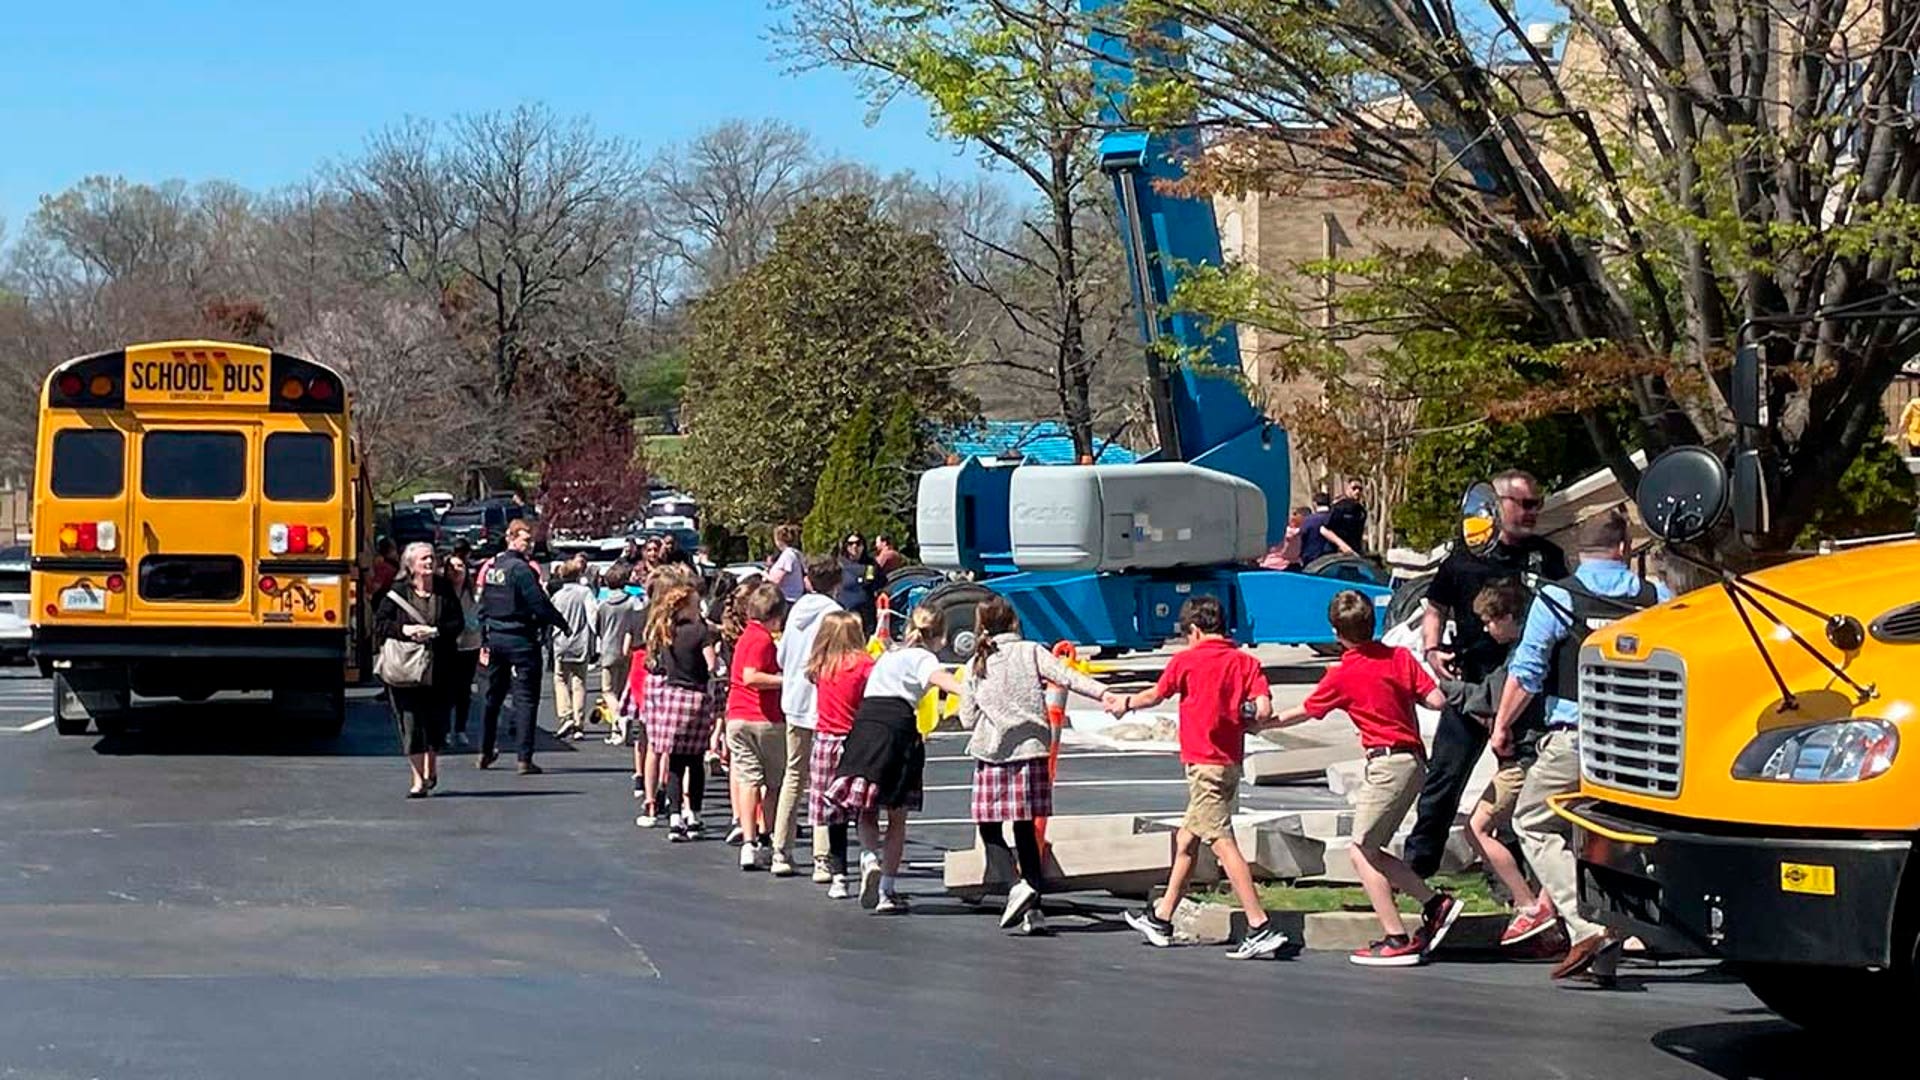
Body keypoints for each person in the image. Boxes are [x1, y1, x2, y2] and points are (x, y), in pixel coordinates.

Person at [1497, 510, 1668, 983]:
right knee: (1610, 836)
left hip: (1580, 740)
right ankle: (1607, 954)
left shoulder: (1557, 599)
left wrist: (1502, 727)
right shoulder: (1659, 600)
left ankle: (1584, 922)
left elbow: (1528, 672)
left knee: (1531, 821)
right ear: (1625, 548)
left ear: (1578, 552)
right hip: (1646, 745)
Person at [1266, 591, 1453, 966]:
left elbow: (1305, 710)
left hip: (1385, 764)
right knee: (1374, 847)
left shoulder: (1343, 673)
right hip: (1413, 760)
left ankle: (1396, 936)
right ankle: (1435, 904)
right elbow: (1436, 700)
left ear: (1336, 632)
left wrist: (1262, 723)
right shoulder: (1399, 658)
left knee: (1361, 850)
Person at [1403, 469, 1568, 878]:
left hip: (1523, 690)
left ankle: (1511, 874)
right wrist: (1432, 647)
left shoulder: (1546, 557)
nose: (1533, 513)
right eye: (1524, 504)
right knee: (1444, 776)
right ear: (1497, 505)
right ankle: (1419, 867)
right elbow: (1435, 606)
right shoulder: (1464, 557)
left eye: (1537, 504)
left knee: (1516, 785)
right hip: (1471, 682)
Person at [1112, 596, 1290, 961]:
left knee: (1222, 843)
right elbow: (1264, 708)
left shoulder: (1186, 661)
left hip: (1203, 766)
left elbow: (1155, 695)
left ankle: (1259, 925)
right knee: (1187, 840)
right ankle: (1161, 917)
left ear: (1193, 630)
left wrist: (1123, 704)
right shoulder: (1246, 662)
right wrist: (1245, 716)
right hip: (1229, 764)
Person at [960, 597, 1120, 935]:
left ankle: (1017, 885)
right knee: (1024, 828)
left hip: (992, 753)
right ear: (1015, 622)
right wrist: (1106, 694)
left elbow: (966, 718)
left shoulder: (978, 661)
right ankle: (1033, 906)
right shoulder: (1032, 651)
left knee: (989, 825)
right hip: (1031, 750)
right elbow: (1067, 677)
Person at [824, 606, 965, 914]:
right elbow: (938, 678)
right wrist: (968, 690)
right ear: (939, 637)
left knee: (867, 809)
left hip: (865, 725)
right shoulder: (925, 657)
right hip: (898, 728)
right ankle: (887, 890)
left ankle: (868, 857)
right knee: (897, 816)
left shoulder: (887, 656)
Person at [1446, 579, 1554, 947]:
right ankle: (1545, 905)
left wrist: (1442, 687)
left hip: (1522, 758)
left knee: (1476, 828)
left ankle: (1528, 905)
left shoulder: (1520, 658)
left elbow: (1488, 700)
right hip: (1536, 754)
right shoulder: (1539, 650)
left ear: (1510, 616)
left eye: (1491, 621)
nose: (1487, 629)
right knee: (1544, 833)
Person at [771, 556, 844, 879]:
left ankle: (780, 850)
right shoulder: (835, 616)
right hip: (825, 704)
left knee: (794, 776)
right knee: (823, 782)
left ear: (807, 581)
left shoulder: (794, 611)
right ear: (837, 584)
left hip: (794, 703)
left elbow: (781, 657)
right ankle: (821, 857)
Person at [374, 542, 464, 798]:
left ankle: (431, 768)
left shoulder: (444, 590)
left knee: (436, 724)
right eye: (424, 558)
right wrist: (406, 631)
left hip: (440, 669)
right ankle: (417, 779)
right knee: (411, 724)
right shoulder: (397, 592)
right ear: (410, 565)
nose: (429, 562)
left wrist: (435, 631)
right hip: (406, 670)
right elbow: (381, 624)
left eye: (432, 558)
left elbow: (457, 623)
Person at [478, 519, 566, 774]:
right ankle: (524, 758)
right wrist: (561, 624)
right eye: (526, 540)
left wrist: (485, 636)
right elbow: (539, 603)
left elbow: (483, 605)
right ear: (512, 537)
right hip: (521, 639)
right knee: (526, 699)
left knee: (493, 697)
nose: (529, 545)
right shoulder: (521, 570)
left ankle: (484, 751)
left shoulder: (493, 567)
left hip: (496, 637)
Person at [640, 582, 718, 842]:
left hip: (671, 695)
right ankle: (693, 815)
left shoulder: (667, 631)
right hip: (695, 696)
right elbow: (712, 664)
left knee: (673, 761)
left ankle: (674, 818)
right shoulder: (700, 631)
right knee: (695, 761)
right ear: (688, 606)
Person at [806, 610, 873, 900]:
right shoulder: (863, 665)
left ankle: (839, 875)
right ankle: (869, 857)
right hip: (856, 741)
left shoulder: (821, 666)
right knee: (864, 806)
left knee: (833, 812)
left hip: (825, 742)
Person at [726, 583, 788, 869]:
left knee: (749, 779)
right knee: (774, 783)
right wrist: (785, 680)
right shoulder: (762, 639)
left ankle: (749, 841)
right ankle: (767, 837)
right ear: (775, 616)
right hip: (762, 717)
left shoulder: (745, 636)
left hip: (737, 716)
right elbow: (752, 677)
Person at [596, 564, 646, 747]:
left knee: (608, 690)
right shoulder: (632, 602)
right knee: (625, 689)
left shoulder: (603, 604)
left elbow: (597, 626)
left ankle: (619, 718)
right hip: (629, 649)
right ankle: (621, 729)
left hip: (608, 649)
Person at [548, 562, 598, 741]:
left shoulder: (558, 596)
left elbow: (551, 618)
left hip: (561, 643)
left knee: (560, 679)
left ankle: (565, 715)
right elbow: (593, 616)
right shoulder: (585, 593)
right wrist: (597, 638)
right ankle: (578, 723)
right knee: (579, 683)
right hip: (580, 644)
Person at [441, 551, 484, 752]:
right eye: (452, 567)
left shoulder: (472, 592)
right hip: (448, 646)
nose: (457, 571)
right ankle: (445, 729)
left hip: (470, 644)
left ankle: (460, 728)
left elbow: (480, 613)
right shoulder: (442, 593)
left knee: (464, 689)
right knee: (446, 689)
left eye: (460, 567)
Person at [834, 534, 883, 636]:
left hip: (866, 613)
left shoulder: (870, 564)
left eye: (858, 543)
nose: (854, 547)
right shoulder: (839, 564)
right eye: (850, 544)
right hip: (845, 611)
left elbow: (873, 581)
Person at [1296, 501, 1355, 565]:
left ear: (1315, 504)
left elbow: (1301, 537)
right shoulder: (1336, 518)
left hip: (1311, 559)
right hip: (1335, 559)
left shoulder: (1308, 520)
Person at [1327, 478, 1369, 555]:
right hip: (1337, 551)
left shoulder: (1361, 511)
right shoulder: (1339, 507)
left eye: (1360, 489)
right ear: (1347, 489)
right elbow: (1326, 530)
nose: (1357, 491)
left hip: (1355, 551)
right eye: (1354, 488)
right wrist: (1341, 545)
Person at [1259, 507, 1309, 571]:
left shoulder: (1298, 531)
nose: (1292, 517)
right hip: (1280, 560)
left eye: (1295, 514)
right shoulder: (1290, 530)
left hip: (1290, 560)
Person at [766, 523, 806, 603]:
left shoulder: (787, 555)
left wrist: (764, 575)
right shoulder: (795, 553)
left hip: (788, 598)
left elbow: (776, 580)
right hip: (794, 597)